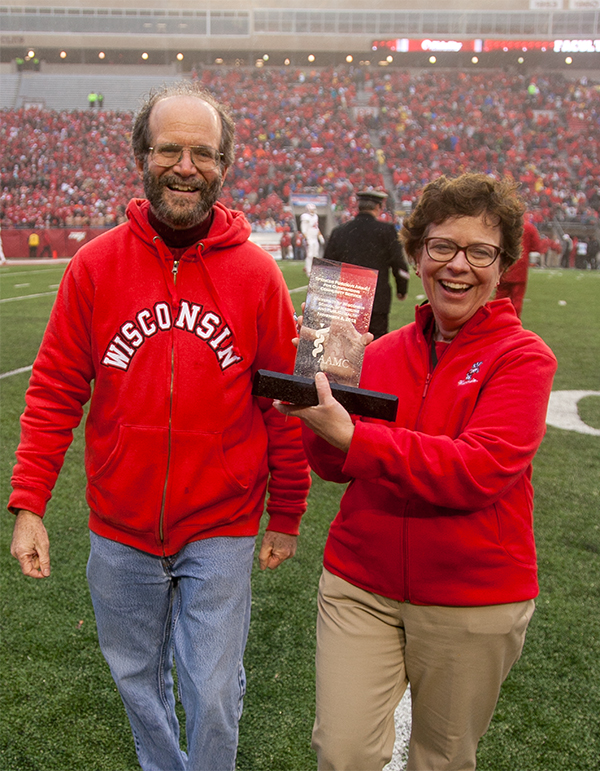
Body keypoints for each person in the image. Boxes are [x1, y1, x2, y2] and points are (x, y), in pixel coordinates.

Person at [8, 81, 311, 771]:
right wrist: (29, 504)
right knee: (137, 681)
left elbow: (286, 407)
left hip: (221, 523)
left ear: (224, 167)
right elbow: (55, 390)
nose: (185, 165)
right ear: (140, 155)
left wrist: (287, 512)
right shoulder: (94, 266)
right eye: (169, 148)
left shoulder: (259, 275)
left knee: (212, 689)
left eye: (201, 152)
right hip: (119, 525)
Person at [275, 173, 557, 771]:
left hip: (472, 597)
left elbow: (476, 472)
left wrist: (354, 434)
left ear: (503, 264)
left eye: (479, 252)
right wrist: (316, 399)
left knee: (442, 760)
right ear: (416, 254)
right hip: (361, 584)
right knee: (343, 753)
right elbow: (331, 464)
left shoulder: (524, 358)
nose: (459, 266)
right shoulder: (377, 352)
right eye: (441, 247)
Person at [324, 189, 410, 338]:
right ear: (378, 207)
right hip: (377, 299)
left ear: (358, 207)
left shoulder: (339, 231)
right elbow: (399, 264)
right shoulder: (387, 230)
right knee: (375, 344)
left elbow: (327, 268)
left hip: (347, 301)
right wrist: (402, 289)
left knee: (345, 346)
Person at [495, 217, 543, 317]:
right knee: (517, 299)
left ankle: (494, 320)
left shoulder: (505, 225)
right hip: (520, 268)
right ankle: (513, 323)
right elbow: (536, 247)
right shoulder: (529, 227)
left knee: (499, 297)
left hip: (505, 265)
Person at [300, 202, 323, 275]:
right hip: (309, 238)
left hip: (315, 238)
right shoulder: (305, 217)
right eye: (311, 210)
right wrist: (306, 239)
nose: (313, 211)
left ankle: (314, 270)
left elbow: (316, 228)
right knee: (309, 255)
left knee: (315, 255)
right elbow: (303, 230)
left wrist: (320, 236)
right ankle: (308, 270)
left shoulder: (316, 216)